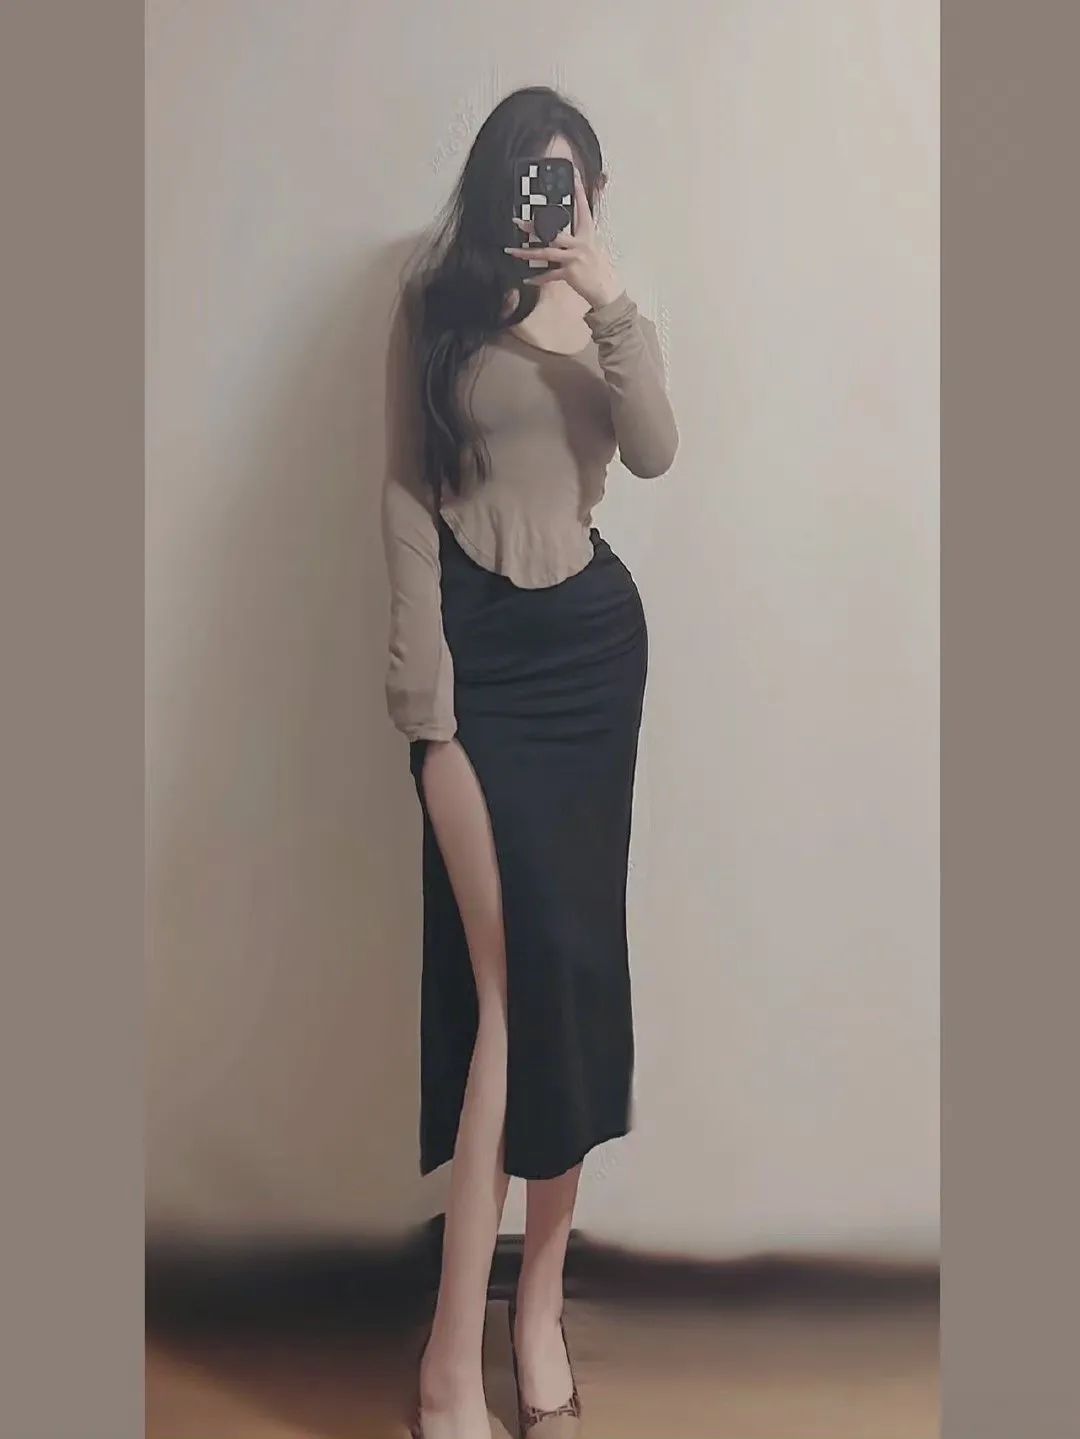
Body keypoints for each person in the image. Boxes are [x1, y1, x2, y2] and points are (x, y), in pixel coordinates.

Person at [381, 85, 678, 1439]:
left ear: (593, 197)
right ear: (494, 184)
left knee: (568, 980)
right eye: (527, 177)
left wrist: (610, 301)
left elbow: (656, 452)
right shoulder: (434, 307)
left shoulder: (606, 319)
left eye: (569, 183)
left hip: (592, 657)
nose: (546, 202)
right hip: (476, 660)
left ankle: (537, 1314)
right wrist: (423, 700)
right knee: (509, 989)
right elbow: (404, 491)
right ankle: (450, 1366)